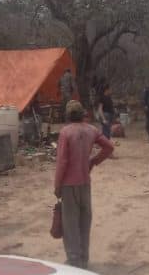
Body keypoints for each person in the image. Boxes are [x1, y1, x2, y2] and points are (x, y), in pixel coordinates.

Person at [54, 101, 114, 269]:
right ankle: (84, 259)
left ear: (67, 115)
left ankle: (74, 261)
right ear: (83, 114)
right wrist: (93, 161)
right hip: (85, 183)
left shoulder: (66, 132)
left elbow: (62, 162)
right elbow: (109, 147)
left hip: (68, 185)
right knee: (84, 222)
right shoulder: (91, 130)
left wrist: (57, 185)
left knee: (70, 224)